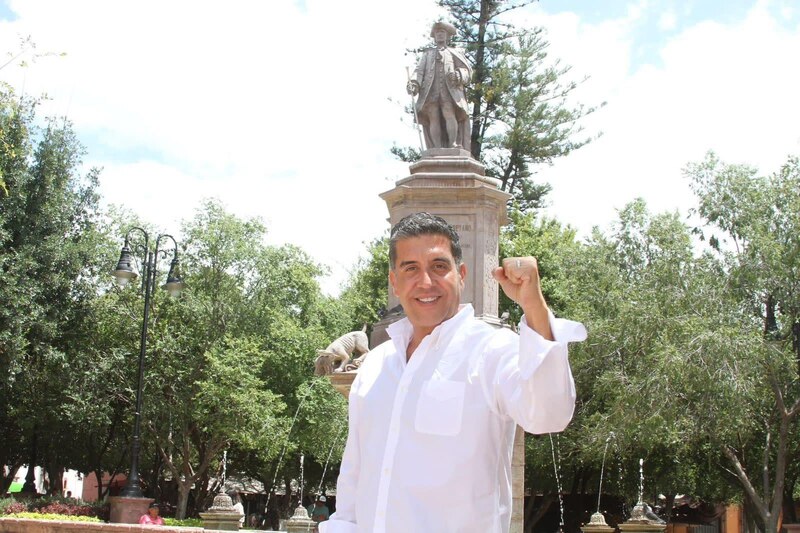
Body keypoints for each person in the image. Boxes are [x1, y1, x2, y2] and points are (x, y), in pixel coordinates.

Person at [320, 212, 586, 533]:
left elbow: (548, 414)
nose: (426, 282)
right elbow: (354, 475)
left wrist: (535, 307)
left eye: (439, 267)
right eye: (410, 269)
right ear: (394, 282)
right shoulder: (375, 365)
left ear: (461, 274)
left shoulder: (492, 350)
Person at [407, 22, 473, 150]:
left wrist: (458, 75)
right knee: (433, 116)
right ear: (434, 36)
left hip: (449, 91)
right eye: (437, 33)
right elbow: (419, 71)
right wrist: (414, 84)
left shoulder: (454, 53)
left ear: (448, 36)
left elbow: (466, 70)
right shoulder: (427, 54)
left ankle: (452, 144)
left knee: (449, 112)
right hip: (430, 91)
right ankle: (436, 147)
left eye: (442, 32)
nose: (440, 35)